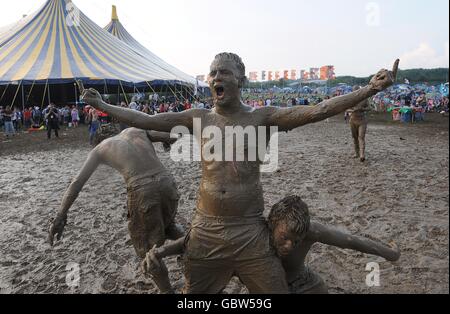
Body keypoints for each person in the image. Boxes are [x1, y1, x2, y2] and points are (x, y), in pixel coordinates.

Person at [81, 53, 399, 294]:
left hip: (249, 228)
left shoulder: (263, 117)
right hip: (206, 228)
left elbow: (319, 110)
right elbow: (146, 120)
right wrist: (104, 105)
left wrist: (369, 88)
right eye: (213, 73)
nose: (216, 77)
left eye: (224, 72)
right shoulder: (198, 117)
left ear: (240, 81)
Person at [143, 195, 400, 294]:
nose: (289, 245)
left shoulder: (311, 231)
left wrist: (388, 253)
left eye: (296, 240)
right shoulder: (256, 230)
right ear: (271, 224)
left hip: (305, 283)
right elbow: (196, 241)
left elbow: (349, 240)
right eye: (284, 238)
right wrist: (163, 250)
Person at [48, 128, 184, 264]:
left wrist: (61, 215)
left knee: (147, 250)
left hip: (142, 189)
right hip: (167, 181)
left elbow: (76, 183)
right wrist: (167, 141)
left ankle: (167, 285)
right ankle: (191, 248)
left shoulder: (100, 148)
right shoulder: (135, 131)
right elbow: (174, 136)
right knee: (168, 225)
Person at [346, 86, 371, 162]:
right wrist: (352, 110)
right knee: (355, 138)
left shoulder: (364, 99)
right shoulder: (350, 100)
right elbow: (346, 109)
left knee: (361, 137)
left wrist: (362, 109)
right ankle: (357, 153)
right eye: (354, 91)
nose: (356, 93)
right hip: (352, 120)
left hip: (362, 121)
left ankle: (362, 155)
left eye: (357, 91)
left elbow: (370, 108)